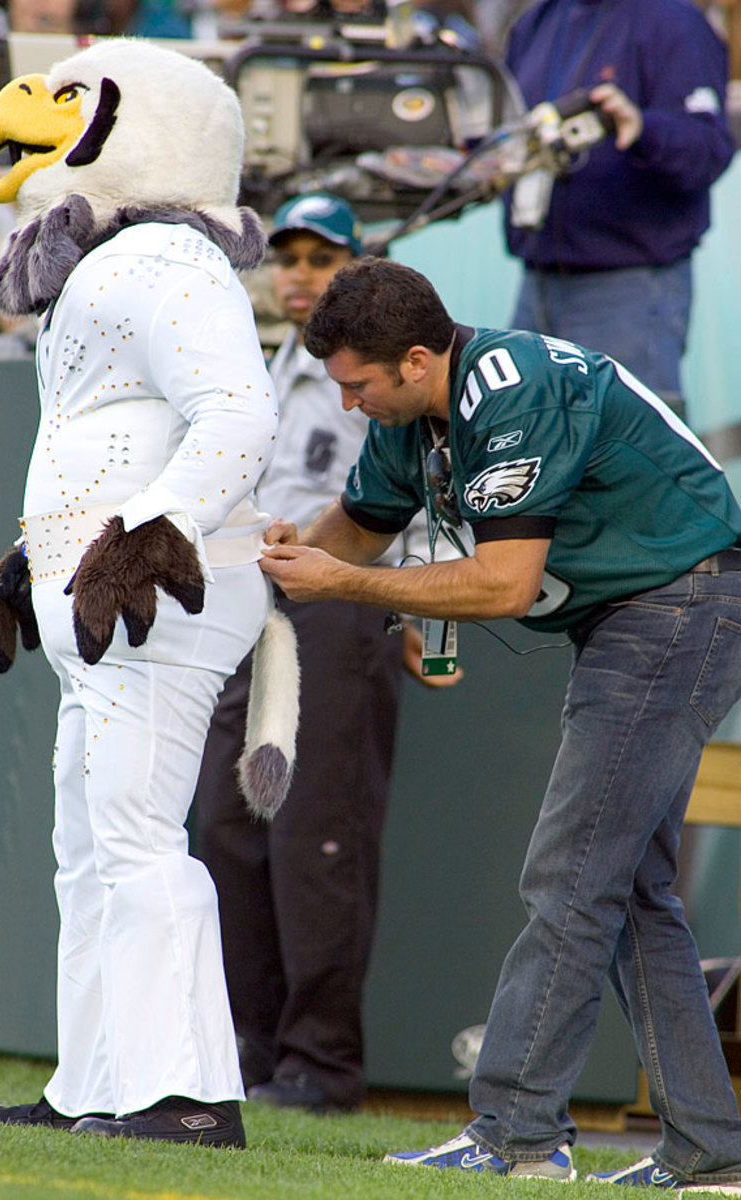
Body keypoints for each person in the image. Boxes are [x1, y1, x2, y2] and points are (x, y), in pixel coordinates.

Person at [258, 255, 741, 1188]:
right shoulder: (417, 412)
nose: (348, 406)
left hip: (681, 605)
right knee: (627, 891)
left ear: (411, 359)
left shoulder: (508, 391)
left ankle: (517, 1132)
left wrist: (344, 584)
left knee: (568, 874)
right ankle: (711, 1150)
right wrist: (273, 555)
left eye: (357, 386)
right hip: (641, 615)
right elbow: (354, 527)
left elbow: (502, 583)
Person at [0, 36, 298, 1148]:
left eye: (74, 101)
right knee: (90, 840)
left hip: (155, 596)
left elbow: (238, 417)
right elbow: (105, 438)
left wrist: (148, 537)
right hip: (103, 592)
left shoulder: (164, 260)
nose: (40, 116)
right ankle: (97, 1084)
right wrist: (39, 560)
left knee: (135, 836)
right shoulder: (122, 262)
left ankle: (188, 1094)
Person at [193, 194, 458, 1115]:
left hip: (343, 604)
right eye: (289, 254)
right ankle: (251, 1044)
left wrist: (416, 601)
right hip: (253, 601)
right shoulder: (261, 366)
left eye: (323, 255)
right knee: (228, 826)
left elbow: (426, 486)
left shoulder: (387, 373)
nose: (301, 271)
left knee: (319, 835)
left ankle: (321, 1061)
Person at [501, 0, 734, 417]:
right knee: (527, 457)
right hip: (535, 282)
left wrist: (642, 127)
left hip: (629, 289)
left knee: (629, 467)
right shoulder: (534, 22)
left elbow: (708, 150)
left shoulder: (672, 22)